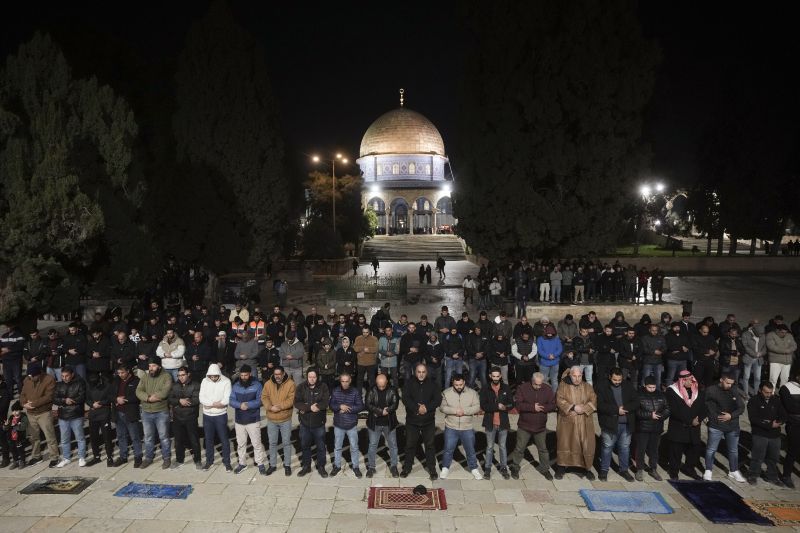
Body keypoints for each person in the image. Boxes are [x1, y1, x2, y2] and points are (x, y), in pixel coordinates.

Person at [508, 372, 556, 480]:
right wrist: (532, 407)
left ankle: (545, 468)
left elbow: (553, 405)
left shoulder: (547, 389)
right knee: (520, 448)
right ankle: (515, 467)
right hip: (525, 425)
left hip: (540, 426)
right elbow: (518, 405)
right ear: (532, 381)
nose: (538, 387)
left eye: (540, 385)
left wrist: (542, 407)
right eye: (536, 384)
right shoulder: (522, 388)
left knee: (543, 449)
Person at [595, 368, 637, 481]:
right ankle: (604, 471)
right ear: (610, 377)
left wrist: (625, 408)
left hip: (626, 424)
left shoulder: (628, 385)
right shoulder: (602, 387)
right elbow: (600, 405)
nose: (617, 382)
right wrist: (616, 410)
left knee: (624, 448)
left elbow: (636, 401)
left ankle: (624, 470)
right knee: (607, 448)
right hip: (610, 424)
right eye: (615, 380)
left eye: (619, 379)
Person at [554, 366, 597, 479]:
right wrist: (573, 407)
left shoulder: (587, 386)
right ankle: (561, 468)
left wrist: (582, 409)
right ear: (570, 375)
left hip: (584, 420)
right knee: (565, 443)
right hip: (568, 421)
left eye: (579, 376)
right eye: (574, 376)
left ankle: (586, 468)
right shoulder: (563, 385)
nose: (577, 379)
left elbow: (593, 400)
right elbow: (559, 399)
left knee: (586, 444)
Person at [401, 363, 441, 479]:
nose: (421, 374)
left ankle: (432, 469)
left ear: (426, 373)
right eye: (419, 372)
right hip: (412, 421)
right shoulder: (409, 383)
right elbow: (405, 398)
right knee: (409, 445)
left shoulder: (433, 384)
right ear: (415, 372)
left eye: (423, 372)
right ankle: (407, 468)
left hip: (428, 421)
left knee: (430, 446)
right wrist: (417, 408)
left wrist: (426, 408)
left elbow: (437, 399)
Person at [439, 374, 482, 480]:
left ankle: (474, 468)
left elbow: (477, 407)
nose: (459, 386)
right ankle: (445, 467)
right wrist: (455, 411)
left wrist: (464, 412)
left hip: (467, 427)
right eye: (456, 385)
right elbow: (442, 407)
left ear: (464, 383)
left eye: (461, 384)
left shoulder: (472, 393)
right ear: (453, 383)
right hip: (451, 426)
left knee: (470, 449)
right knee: (448, 449)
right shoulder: (446, 393)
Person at [665, 370, 706, 480]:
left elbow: (705, 407)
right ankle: (674, 471)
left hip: (694, 428)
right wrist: (690, 421)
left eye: (691, 379)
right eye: (687, 380)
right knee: (676, 451)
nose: (691, 381)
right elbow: (674, 410)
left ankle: (689, 468)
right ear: (681, 380)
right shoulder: (671, 391)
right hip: (679, 427)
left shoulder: (699, 390)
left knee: (694, 450)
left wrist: (700, 418)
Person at [135, 357, 173, 469]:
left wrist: (153, 397)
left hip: (161, 411)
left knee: (164, 437)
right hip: (146, 411)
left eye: (153, 366)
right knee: (148, 437)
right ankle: (148, 458)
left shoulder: (166, 376)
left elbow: (165, 392)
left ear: (159, 366)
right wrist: (148, 398)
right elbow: (138, 391)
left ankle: (166, 458)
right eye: (150, 366)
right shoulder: (145, 376)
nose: (151, 368)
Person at [19, 363, 59, 467]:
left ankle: (54, 457)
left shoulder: (49, 379)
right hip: (30, 414)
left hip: (44, 413)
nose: (30, 378)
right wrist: (24, 404)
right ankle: (36, 456)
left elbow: (49, 397)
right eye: (29, 376)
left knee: (50, 436)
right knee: (33, 437)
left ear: (39, 374)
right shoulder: (27, 379)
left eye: (32, 376)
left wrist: (33, 404)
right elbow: (22, 394)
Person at [229, 365, 266, 475]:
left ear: (250, 374)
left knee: (257, 443)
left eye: (246, 375)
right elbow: (231, 400)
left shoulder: (257, 385)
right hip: (239, 420)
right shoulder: (235, 386)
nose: (244, 377)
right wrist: (240, 405)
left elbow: (260, 401)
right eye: (242, 375)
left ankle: (260, 463)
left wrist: (248, 405)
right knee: (241, 444)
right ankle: (242, 463)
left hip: (253, 419)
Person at [747, 381, 786, 485]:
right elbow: (753, 419)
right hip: (760, 433)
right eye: (766, 392)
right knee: (757, 457)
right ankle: (753, 475)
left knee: (773, 457)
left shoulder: (776, 400)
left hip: (775, 434)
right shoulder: (753, 401)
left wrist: (780, 421)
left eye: (770, 392)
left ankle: (772, 476)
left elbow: (783, 414)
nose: (768, 394)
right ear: (760, 390)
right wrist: (769, 424)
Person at [295, 367, 330, 477]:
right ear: (307, 377)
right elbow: (297, 402)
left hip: (318, 423)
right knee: (305, 445)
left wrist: (318, 406)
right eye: (310, 377)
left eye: (314, 377)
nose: (312, 379)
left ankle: (321, 467)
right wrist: (310, 407)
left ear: (317, 377)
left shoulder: (323, 386)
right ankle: (306, 466)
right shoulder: (301, 387)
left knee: (320, 446)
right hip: (305, 423)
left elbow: (326, 402)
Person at [261, 365, 295, 476]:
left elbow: (291, 400)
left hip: (285, 419)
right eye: (275, 374)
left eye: (279, 374)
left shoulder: (290, 384)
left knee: (286, 443)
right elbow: (264, 397)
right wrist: (270, 407)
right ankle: (272, 465)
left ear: (283, 373)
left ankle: (287, 465)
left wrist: (279, 407)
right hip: (271, 418)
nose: (277, 377)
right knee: (272, 443)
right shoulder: (267, 384)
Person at [480, 367, 514, 479]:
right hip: (490, 422)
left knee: (502, 447)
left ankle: (503, 467)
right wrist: (496, 406)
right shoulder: (485, 388)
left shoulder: (506, 388)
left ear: (500, 376)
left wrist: (505, 407)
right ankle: (488, 468)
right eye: (493, 376)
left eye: (497, 376)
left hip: (503, 422)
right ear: (490, 376)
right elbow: (483, 405)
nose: (495, 378)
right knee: (489, 447)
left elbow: (511, 404)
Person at [635, 375, 669, 480]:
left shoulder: (661, 395)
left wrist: (661, 416)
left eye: (654, 387)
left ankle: (653, 468)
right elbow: (636, 411)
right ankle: (639, 469)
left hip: (656, 428)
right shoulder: (638, 395)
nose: (652, 389)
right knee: (641, 449)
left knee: (654, 450)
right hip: (643, 428)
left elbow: (667, 408)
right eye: (650, 387)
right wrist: (650, 415)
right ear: (645, 385)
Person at [365, 372, 400, 478]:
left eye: (383, 385)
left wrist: (388, 410)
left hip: (389, 423)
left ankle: (394, 466)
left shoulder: (392, 390)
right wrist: (380, 411)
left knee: (393, 446)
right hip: (374, 423)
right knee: (372, 446)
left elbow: (396, 403)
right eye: (379, 385)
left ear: (386, 382)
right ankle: (371, 467)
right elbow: (367, 404)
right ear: (376, 382)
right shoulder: (371, 390)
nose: (381, 387)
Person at [199, 363, 232, 471]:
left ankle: (227, 462)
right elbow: (201, 397)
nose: (213, 378)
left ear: (219, 374)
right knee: (208, 439)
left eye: (215, 376)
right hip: (207, 415)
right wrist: (214, 404)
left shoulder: (226, 381)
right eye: (211, 376)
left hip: (220, 415)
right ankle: (209, 461)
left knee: (224, 439)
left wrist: (220, 404)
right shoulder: (204, 381)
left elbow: (227, 398)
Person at [167, 366, 201, 469]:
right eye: (179, 375)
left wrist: (184, 402)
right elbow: (170, 399)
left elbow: (196, 400)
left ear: (188, 374)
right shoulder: (175, 385)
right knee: (178, 440)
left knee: (194, 440)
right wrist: (179, 401)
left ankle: (198, 460)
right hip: (177, 417)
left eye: (183, 375)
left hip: (191, 416)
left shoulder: (195, 385)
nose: (181, 377)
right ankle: (179, 460)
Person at [330, 372, 364, 477]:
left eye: (346, 381)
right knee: (337, 447)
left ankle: (355, 467)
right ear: (340, 381)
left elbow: (360, 406)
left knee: (354, 447)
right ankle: (337, 466)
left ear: (350, 381)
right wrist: (340, 406)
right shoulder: (335, 391)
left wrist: (347, 408)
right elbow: (331, 405)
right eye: (342, 381)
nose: (344, 383)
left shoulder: (355, 392)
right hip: (339, 424)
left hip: (351, 424)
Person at [53, 366, 87, 467]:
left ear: (72, 375)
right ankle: (66, 458)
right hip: (63, 415)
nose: (64, 378)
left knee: (80, 437)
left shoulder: (80, 383)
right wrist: (64, 400)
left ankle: (82, 457)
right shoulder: (59, 385)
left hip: (76, 414)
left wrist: (71, 401)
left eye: (67, 376)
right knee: (64, 439)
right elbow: (54, 398)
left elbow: (82, 397)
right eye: (62, 376)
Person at [85, 373, 115, 466]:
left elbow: (110, 397)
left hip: (104, 412)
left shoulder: (107, 385)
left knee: (107, 436)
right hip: (93, 413)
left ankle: (109, 457)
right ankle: (96, 456)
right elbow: (87, 398)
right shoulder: (89, 385)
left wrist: (101, 403)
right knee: (93, 437)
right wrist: (92, 404)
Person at [779, 371, 800, 488]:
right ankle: (786, 475)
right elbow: (791, 407)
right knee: (793, 450)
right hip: (794, 424)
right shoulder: (786, 388)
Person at [741, 320, 766, 398]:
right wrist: (754, 354)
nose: (761, 335)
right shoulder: (745, 334)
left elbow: (765, 347)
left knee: (758, 377)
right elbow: (745, 346)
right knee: (746, 377)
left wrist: (761, 353)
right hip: (749, 358)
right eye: (759, 334)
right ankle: (746, 394)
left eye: (762, 333)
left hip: (759, 359)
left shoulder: (763, 335)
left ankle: (756, 394)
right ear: (754, 331)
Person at [766, 324, 797, 390]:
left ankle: (782, 395)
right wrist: (785, 351)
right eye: (782, 332)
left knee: (785, 380)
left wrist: (790, 350)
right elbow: (771, 347)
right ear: (777, 331)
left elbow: (794, 345)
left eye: (785, 332)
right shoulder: (770, 335)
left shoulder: (789, 335)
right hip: (775, 361)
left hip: (787, 362)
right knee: (773, 379)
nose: (784, 334)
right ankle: (771, 395)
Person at [1, 323, 26, 396]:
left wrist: (9, 349)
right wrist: (2, 349)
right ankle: (10, 394)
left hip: (16, 361)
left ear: (13, 326)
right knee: (8, 379)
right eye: (6, 327)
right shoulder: (4, 336)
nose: (7, 328)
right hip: (5, 361)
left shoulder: (19, 336)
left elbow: (20, 347)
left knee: (18, 378)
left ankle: (21, 394)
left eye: (8, 326)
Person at [537, 324, 562, 391]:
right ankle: (544, 396)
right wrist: (548, 356)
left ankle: (553, 397)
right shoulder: (540, 339)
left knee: (554, 381)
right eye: (548, 333)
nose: (550, 335)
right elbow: (539, 350)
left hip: (555, 363)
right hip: (544, 363)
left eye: (551, 333)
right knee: (543, 381)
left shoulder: (556, 339)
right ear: (545, 332)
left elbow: (560, 349)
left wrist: (553, 355)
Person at [3, 401, 28, 469]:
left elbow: (23, 427)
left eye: (16, 410)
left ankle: (22, 461)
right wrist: (6, 425)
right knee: (13, 450)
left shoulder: (23, 417)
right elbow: (6, 429)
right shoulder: (11, 417)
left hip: (19, 438)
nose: (14, 412)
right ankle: (16, 461)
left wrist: (15, 425)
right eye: (13, 411)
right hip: (11, 438)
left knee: (20, 450)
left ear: (20, 410)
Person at [640, 324, 666, 388]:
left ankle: (658, 392)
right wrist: (654, 351)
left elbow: (665, 347)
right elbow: (643, 349)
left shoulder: (661, 338)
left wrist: (661, 351)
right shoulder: (644, 338)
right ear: (649, 330)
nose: (654, 332)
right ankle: (643, 392)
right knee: (646, 378)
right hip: (648, 362)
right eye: (653, 330)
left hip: (658, 362)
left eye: (656, 330)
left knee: (658, 378)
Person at [354, 326, 379, 393]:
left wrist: (369, 349)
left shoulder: (374, 338)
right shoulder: (358, 338)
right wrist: (363, 348)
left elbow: (376, 349)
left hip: (371, 363)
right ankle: (358, 393)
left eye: (366, 332)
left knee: (371, 379)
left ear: (369, 332)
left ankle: (372, 393)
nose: (365, 334)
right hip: (361, 363)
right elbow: (355, 348)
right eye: (364, 332)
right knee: (360, 379)